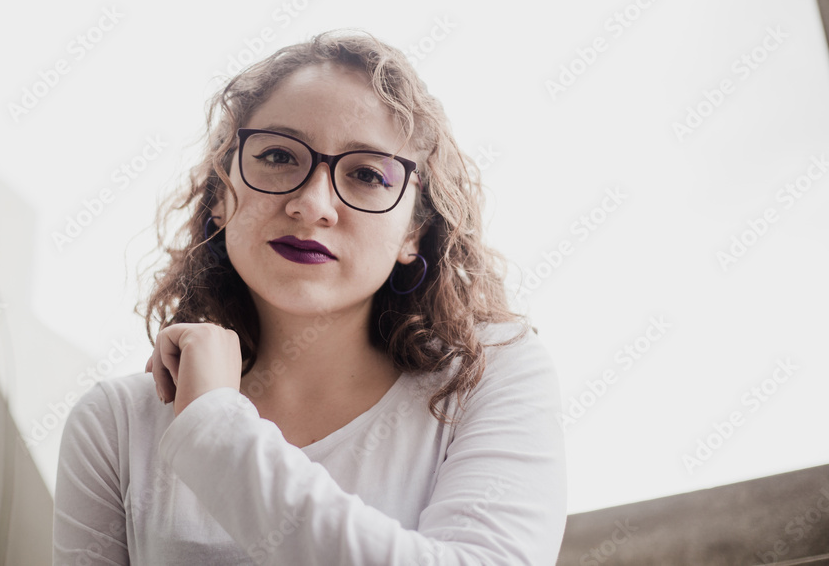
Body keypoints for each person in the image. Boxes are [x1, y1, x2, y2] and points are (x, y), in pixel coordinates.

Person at [52, 29, 567, 565]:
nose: (313, 204)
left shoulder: (487, 375)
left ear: (414, 231)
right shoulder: (118, 426)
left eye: (367, 173)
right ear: (221, 196)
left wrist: (215, 429)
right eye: (278, 155)